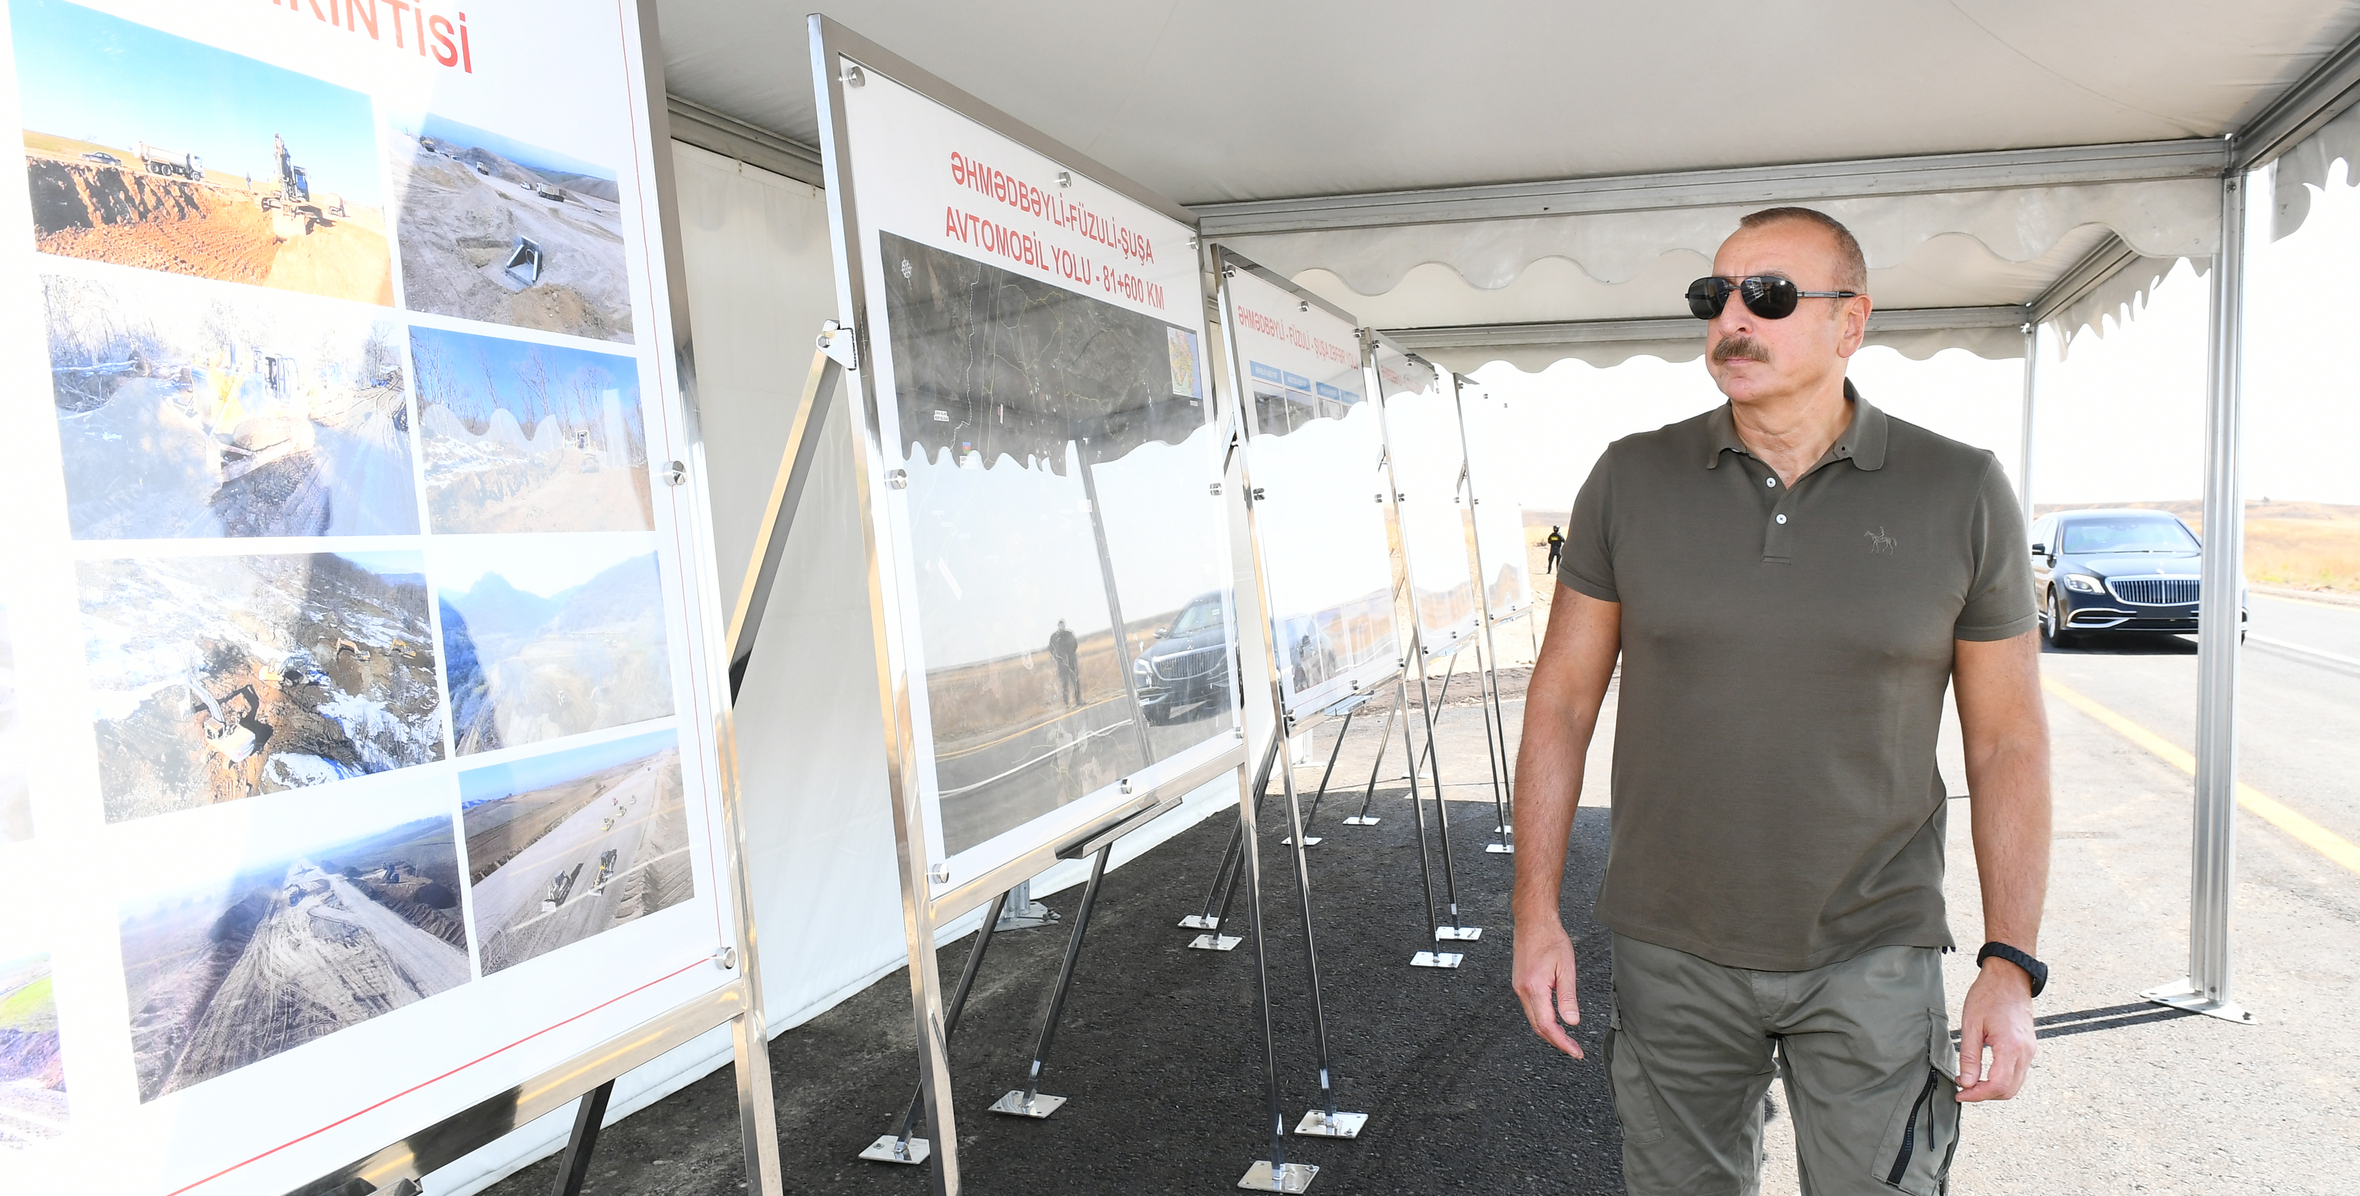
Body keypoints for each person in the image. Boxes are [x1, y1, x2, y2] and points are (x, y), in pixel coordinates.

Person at [1510, 206, 2051, 1196]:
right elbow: (1560, 705)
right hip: (1672, 953)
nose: (1731, 318)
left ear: (1851, 322)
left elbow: (2007, 741)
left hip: (1873, 951)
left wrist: (2009, 964)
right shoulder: (1629, 479)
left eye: (1766, 295)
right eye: (1711, 295)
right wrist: (1533, 912)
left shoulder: (1960, 489)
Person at [1048, 619, 1081, 708]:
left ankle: (1078, 700)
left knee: (1075, 681)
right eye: (1060, 624)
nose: (1062, 626)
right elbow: (1051, 648)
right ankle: (1067, 703)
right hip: (1061, 664)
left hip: (1071, 661)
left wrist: (1070, 655)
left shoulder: (1069, 634)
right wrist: (1058, 658)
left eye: (1063, 624)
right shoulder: (1054, 637)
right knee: (1064, 684)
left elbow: (1075, 645)